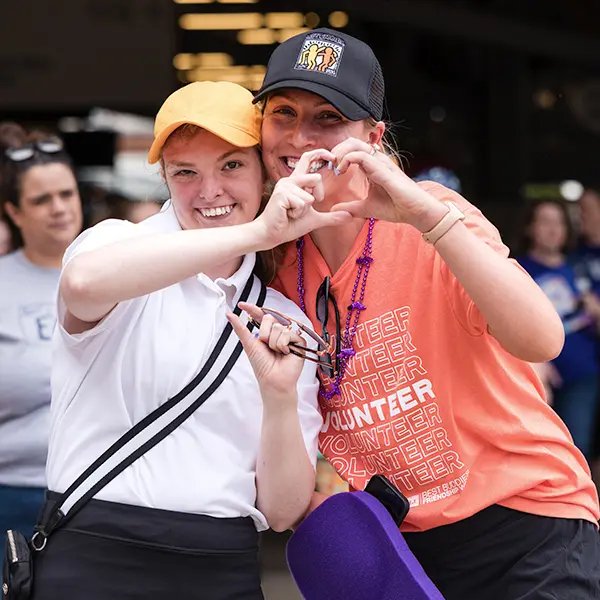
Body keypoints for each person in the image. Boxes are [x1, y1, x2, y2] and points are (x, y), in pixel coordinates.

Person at [253, 28, 600, 599]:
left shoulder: (432, 217)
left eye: (328, 117)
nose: (299, 136)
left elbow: (542, 339)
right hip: (407, 546)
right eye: (283, 113)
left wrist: (427, 220)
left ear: (372, 136)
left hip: (528, 520)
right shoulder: (274, 262)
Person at [31, 81, 349, 600]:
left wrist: (278, 397)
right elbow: (84, 287)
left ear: (265, 175)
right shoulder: (115, 245)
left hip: (219, 562)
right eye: (186, 172)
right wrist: (260, 234)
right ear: (164, 178)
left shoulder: (285, 319)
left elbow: (281, 509)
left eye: (231, 166)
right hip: (94, 550)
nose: (210, 191)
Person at [0, 123, 82, 542]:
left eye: (67, 194)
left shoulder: (121, 271)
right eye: (41, 199)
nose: (59, 208)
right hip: (11, 495)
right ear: (14, 212)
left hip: (99, 492)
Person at [515, 199, 600, 460]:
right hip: (535, 377)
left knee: (579, 446)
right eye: (545, 222)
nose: (553, 230)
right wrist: (534, 362)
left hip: (583, 371)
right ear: (531, 228)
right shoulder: (516, 269)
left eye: (559, 223)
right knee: (543, 452)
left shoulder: (579, 267)